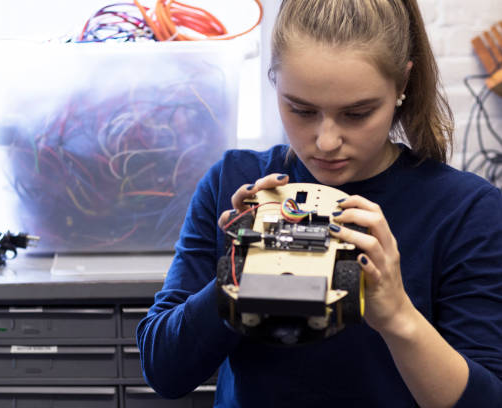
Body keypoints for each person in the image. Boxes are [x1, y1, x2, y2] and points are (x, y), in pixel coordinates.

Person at [136, 0, 502, 406]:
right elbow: (164, 370)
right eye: (302, 110)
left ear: (402, 85)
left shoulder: (466, 211)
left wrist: (399, 317)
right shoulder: (233, 182)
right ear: (274, 81)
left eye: (357, 113)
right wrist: (236, 279)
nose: (326, 141)